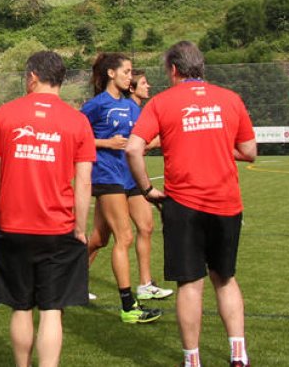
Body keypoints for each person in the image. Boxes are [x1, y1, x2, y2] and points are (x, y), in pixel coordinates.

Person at [126, 41, 256, 367]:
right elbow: (250, 150)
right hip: (226, 202)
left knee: (190, 284)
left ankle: (192, 359)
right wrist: (218, 148)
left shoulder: (162, 102)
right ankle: (238, 354)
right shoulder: (230, 99)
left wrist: (146, 189)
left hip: (183, 205)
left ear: (173, 69)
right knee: (225, 279)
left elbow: (132, 149)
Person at [0, 51, 94, 367]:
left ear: (32, 76)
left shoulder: (7, 113)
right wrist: (81, 228)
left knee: (20, 307)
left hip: (13, 225)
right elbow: (84, 182)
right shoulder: (77, 120)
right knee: (51, 309)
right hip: (58, 227)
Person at [81, 52, 163, 323]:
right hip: (107, 177)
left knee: (104, 238)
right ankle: (129, 307)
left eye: (131, 72)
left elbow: (139, 140)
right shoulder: (96, 105)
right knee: (124, 238)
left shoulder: (132, 107)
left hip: (130, 179)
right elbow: (76, 138)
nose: (131, 76)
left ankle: (68, 278)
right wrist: (105, 143)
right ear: (111, 74)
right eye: (126, 71)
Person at [125, 69, 173, 302]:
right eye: (143, 83)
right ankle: (72, 280)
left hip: (132, 179)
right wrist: (161, 139)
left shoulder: (137, 110)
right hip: (119, 179)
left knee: (146, 227)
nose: (149, 86)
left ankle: (145, 284)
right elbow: (136, 147)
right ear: (131, 88)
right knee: (99, 239)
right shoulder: (130, 111)